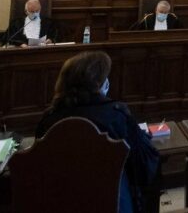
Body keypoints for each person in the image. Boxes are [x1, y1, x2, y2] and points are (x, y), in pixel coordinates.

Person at [36, 51, 159, 213]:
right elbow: (144, 162)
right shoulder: (116, 115)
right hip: (114, 203)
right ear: (100, 84)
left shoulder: (48, 120)